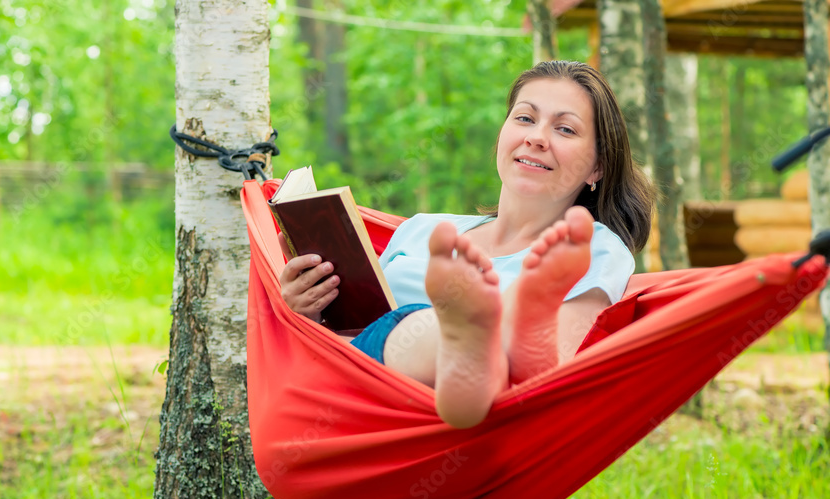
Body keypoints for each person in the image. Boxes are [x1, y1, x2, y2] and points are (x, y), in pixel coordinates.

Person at [278, 61, 654, 428]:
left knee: (450, 329)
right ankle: (478, 345)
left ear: (598, 168)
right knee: (427, 324)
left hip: (477, 416)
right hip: (356, 387)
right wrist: (305, 311)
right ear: (503, 135)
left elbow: (569, 347)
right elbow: (340, 337)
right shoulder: (423, 229)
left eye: (565, 129)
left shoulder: (588, 245)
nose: (536, 137)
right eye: (525, 118)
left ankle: (482, 356)